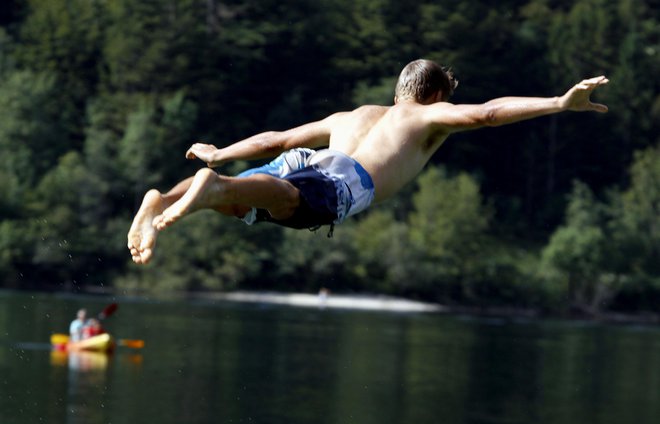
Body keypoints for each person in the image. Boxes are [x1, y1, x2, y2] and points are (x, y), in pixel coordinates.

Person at [127, 59, 609, 265]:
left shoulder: (352, 114)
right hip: (343, 181)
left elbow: (279, 138)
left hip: (310, 157)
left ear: (399, 87)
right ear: (436, 94)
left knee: (247, 202)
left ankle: (166, 198)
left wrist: (219, 150)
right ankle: (211, 186)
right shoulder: (428, 117)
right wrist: (556, 103)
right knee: (293, 203)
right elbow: (485, 114)